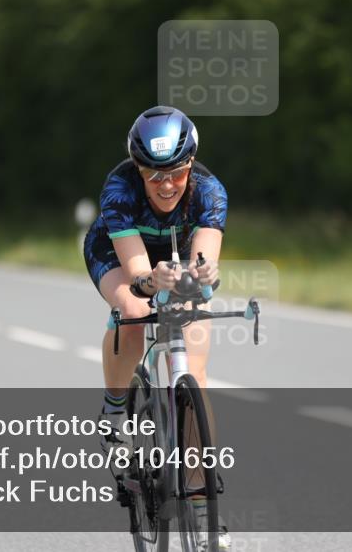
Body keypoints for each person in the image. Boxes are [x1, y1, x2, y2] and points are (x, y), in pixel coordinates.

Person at [83, 106, 230, 549]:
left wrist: (200, 274)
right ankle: (114, 411)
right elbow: (137, 274)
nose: (166, 185)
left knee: (197, 377)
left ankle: (204, 508)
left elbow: (206, 254)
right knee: (131, 309)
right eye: (154, 175)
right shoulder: (119, 188)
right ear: (137, 169)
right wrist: (151, 282)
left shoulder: (209, 191)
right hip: (119, 254)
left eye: (176, 173)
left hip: (175, 253)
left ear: (190, 165)